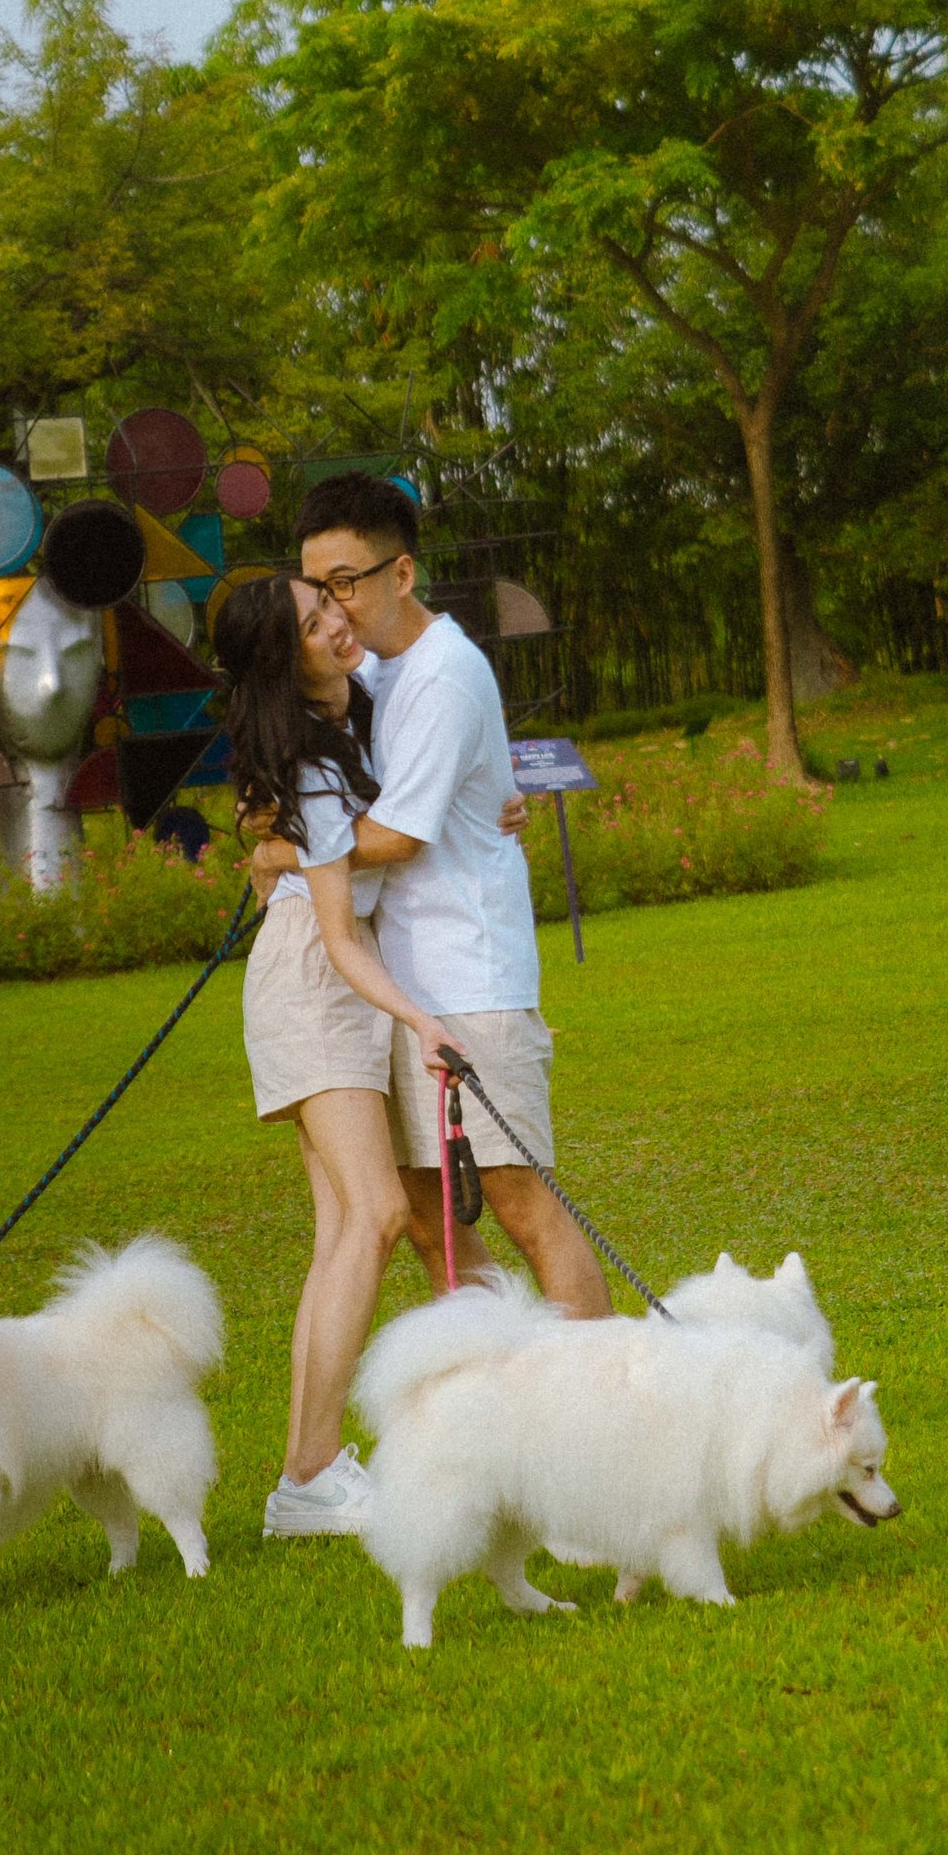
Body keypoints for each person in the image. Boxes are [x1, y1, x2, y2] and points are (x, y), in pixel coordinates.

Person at [281, 472, 608, 1320]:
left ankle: (614, 1396)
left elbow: (395, 836)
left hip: (472, 982)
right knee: (434, 1225)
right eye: (319, 588)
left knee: (521, 1206)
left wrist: (284, 848)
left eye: (347, 582)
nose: (334, 606)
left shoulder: (442, 674)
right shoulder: (379, 676)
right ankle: (495, 1394)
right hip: (402, 989)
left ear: (402, 574)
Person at [211, 570, 451, 1539]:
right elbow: (341, 938)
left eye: (330, 607)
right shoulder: (306, 762)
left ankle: (304, 1477)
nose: (336, 628)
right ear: (283, 658)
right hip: (315, 983)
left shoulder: (359, 713)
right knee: (378, 1213)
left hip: (335, 984)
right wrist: (422, 1021)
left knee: (340, 1233)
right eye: (312, 626)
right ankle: (309, 1475)